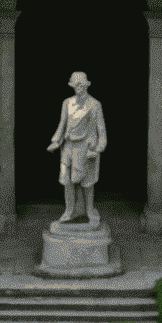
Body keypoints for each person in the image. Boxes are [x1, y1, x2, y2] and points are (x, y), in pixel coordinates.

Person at [48, 71, 107, 226]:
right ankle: (69, 211)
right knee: (65, 179)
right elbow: (62, 123)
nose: (78, 88)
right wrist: (56, 141)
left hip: (85, 146)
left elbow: (101, 130)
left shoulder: (94, 104)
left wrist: (98, 147)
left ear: (86, 85)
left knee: (86, 181)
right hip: (68, 146)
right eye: (75, 85)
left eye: (81, 85)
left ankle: (89, 210)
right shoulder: (67, 102)